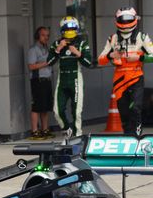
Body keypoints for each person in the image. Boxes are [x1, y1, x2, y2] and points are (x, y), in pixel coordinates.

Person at [98, 7, 153, 136]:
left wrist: (139, 57)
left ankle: (138, 136)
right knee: (124, 113)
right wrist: (111, 55)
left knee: (135, 108)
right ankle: (128, 137)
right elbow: (100, 60)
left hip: (136, 77)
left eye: (128, 19)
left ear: (135, 19)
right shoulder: (112, 38)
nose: (125, 22)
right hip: (119, 80)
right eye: (123, 19)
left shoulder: (142, 37)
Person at [47, 16, 92, 137]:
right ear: (62, 30)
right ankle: (67, 130)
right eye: (67, 28)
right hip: (62, 79)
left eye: (72, 28)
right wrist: (58, 49)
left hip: (76, 79)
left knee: (76, 112)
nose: (70, 31)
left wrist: (77, 53)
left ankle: (78, 136)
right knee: (57, 111)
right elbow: (49, 62)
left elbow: (89, 63)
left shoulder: (82, 43)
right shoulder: (57, 43)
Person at [27, 26, 54, 139]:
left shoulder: (46, 48)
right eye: (43, 35)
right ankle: (34, 130)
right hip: (38, 80)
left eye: (47, 35)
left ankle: (45, 129)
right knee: (37, 106)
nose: (46, 38)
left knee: (45, 106)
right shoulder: (33, 50)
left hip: (47, 80)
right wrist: (46, 63)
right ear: (38, 36)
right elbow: (31, 66)